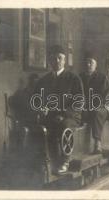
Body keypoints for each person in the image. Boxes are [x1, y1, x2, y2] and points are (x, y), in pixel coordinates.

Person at [34, 45, 84, 174]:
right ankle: (44, 160)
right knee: (37, 127)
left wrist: (65, 114)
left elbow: (79, 102)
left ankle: (65, 160)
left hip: (71, 117)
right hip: (50, 116)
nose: (56, 61)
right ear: (49, 61)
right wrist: (41, 108)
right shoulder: (43, 80)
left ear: (64, 60)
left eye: (59, 58)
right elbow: (37, 99)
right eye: (53, 58)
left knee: (64, 125)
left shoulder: (73, 79)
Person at [79, 52, 109, 154]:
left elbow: (104, 97)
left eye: (90, 62)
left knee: (96, 112)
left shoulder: (102, 78)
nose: (88, 64)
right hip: (84, 106)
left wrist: (90, 105)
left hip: (100, 107)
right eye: (86, 62)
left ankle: (97, 142)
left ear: (96, 65)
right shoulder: (80, 77)